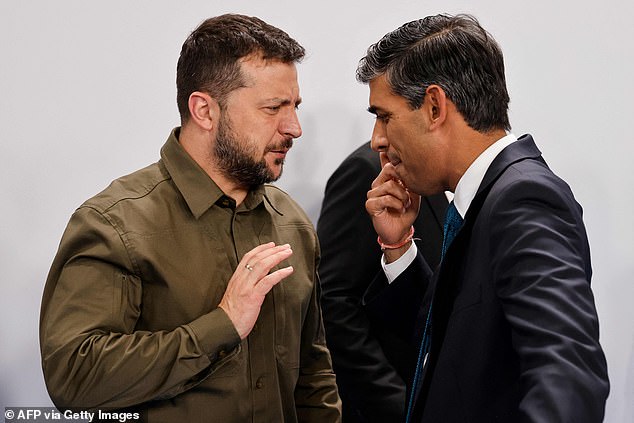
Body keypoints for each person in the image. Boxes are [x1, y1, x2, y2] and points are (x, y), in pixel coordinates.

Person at [39, 14, 341, 422]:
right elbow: (74, 378)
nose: (295, 127)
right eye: (273, 108)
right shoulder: (114, 224)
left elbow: (314, 376)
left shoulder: (292, 222)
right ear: (204, 110)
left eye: (295, 106)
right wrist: (223, 325)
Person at [357, 14, 609, 422]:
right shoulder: (489, 196)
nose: (377, 140)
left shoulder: (525, 198)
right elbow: (454, 347)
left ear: (435, 106)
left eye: (384, 116)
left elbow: (569, 378)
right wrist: (399, 247)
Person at [317, 141, 446, 422]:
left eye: (384, 116)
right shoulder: (366, 170)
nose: (378, 136)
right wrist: (398, 405)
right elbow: (334, 303)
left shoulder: (463, 181)